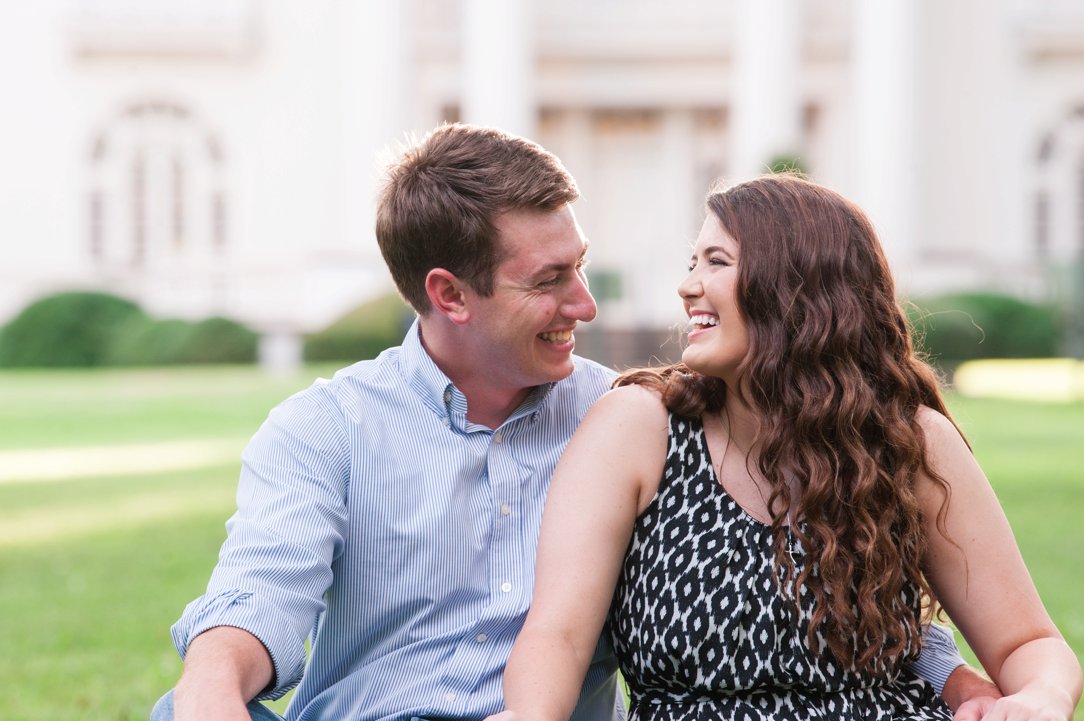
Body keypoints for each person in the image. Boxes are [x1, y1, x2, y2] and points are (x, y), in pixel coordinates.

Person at [152, 126, 998, 721]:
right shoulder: (325, 428)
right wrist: (211, 684)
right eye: (549, 280)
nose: (585, 305)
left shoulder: (631, 419)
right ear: (450, 294)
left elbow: (797, 556)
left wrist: (947, 671)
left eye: (581, 267)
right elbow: (259, 593)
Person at [491, 174, 1082, 721]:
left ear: (796, 286)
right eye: (693, 262)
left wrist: (1040, 697)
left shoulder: (908, 440)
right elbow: (558, 635)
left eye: (716, 261)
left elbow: (1027, 643)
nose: (687, 285)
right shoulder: (640, 427)